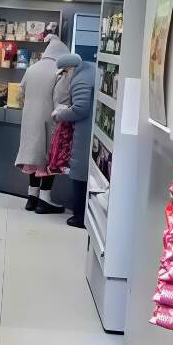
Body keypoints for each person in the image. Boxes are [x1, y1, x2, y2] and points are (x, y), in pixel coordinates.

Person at [15, 36, 70, 213]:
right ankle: (45, 200)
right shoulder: (59, 71)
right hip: (50, 120)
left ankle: (31, 198)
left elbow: (20, 95)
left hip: (29, 119)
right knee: (49, 158)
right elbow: (61, 99)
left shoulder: (31, 69)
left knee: (32, 157)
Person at [52, 53, 95, 228]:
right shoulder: (89, 71)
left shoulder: (80, 79)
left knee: (80, 171)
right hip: (90, 131)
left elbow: (80, 109)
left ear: (68, 69)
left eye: (64, 73)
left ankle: (79, 216)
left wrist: (60, 114)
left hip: (85, 133)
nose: (64, 77)